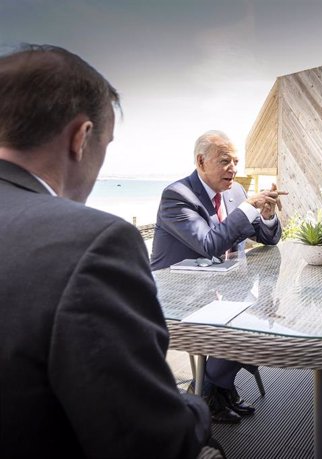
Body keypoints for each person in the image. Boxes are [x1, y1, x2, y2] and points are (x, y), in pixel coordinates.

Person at [0, 44, 217, 458]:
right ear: (81, 138)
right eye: (107, 143)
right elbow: (152, 440)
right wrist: (195, 405)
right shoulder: (92, 243)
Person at [150, 130, 286, 424]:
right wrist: (248, 207)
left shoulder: (234, 192)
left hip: (222, 288)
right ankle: (211, 390)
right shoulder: (177, 196)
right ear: (201, 161)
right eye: (225, 161)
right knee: (245, 321)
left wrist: (266, 213)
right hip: (178, 296)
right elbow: (210, 243)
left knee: (262, 315)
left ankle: (214, 387)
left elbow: (268, 238)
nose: (233, 169)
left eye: (236, 162)